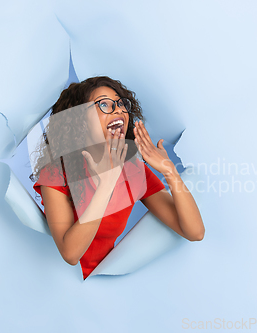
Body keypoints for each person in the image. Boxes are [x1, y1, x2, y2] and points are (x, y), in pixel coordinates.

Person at [31, 76, 204, 279]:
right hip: (51, 278)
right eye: (104, 104)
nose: (119, 110)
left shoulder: (134, 171)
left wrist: (170, 171)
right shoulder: (56, 173)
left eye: (121, 104)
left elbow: (195, 232)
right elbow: (70, 254)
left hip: (103, 284)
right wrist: (107, 184)